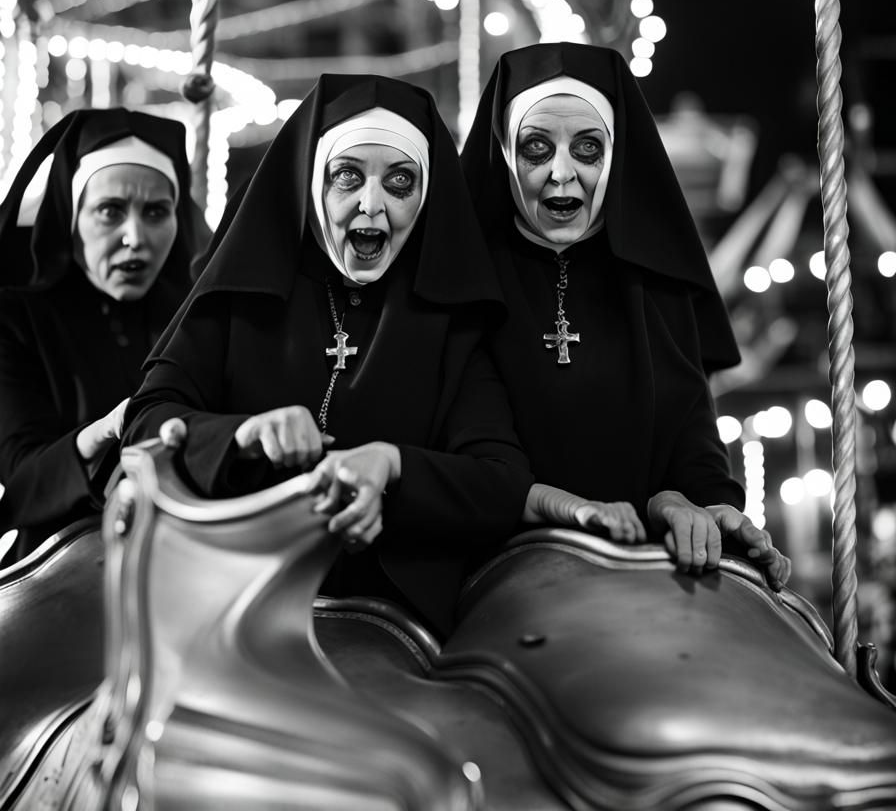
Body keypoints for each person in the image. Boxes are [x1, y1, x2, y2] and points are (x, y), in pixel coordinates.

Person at [121, 74, 533, 638]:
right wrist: (242, 435)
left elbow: (502, 482)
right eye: (348, 177)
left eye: (400, 182)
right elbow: (145, 423)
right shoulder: (242, 293)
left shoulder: (448, 318)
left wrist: (392, 467)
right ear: (314, 184)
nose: (373, 204)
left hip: (388, 623)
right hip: (226, 600)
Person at [460, 41, 791, 590]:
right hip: (494, 581)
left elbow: (691, 436)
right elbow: (469, 457)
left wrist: (708, 504)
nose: (562, 174)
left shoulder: (657, 281)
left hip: (644, 577)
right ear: (503, 151)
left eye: (586, 149)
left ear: (615, 155)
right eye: (536, 147)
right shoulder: (467, 283)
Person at [0, 107, 206, 565]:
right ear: (72, 216)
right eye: (111, 211)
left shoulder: (196, 315)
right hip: (53, 574)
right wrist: (105, 431)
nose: (135, 236)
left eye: (156, 211)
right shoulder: (15, 317)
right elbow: (22, 481)